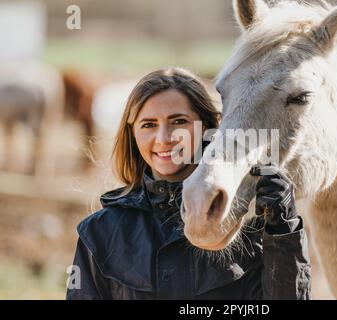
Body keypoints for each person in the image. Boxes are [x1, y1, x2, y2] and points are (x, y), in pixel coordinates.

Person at [66, 67, 311, 300]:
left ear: (207, 126)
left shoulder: (248, 226)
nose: (164, 139)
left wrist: (283, 231)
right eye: (149, 125)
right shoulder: (99, 233)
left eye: (178, 121)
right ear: (132, 133)